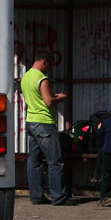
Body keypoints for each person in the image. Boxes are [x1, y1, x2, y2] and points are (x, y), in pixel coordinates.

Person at [20, 50, 72, 205]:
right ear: (44, 62)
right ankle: (59, 197)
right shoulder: (42, 79)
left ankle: (36, 196)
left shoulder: (26, 77)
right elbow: (48, 101)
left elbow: (37, 98)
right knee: (54, 160)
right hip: (44, 123)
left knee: (34, 161)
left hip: (31, 121)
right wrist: (60, 98)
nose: (49, 69)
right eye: (49, 65)